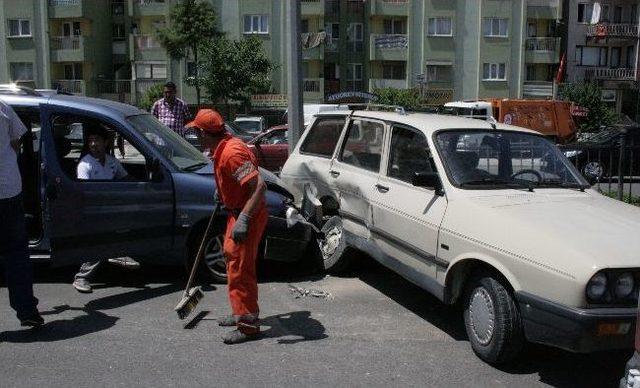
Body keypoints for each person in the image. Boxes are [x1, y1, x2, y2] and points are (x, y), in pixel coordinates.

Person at [186, 109, 268, 344]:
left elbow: (259, 187)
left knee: (240, 270)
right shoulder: (226, 146)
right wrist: (223, 191)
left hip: (246, 215)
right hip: (238, 211)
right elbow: (240, 180)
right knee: (234, 262)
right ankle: (241, 312)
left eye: (197, 132)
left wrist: (244, 219)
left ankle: (248, 326)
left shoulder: (231, 153)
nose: (196, 137)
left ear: (204, 133)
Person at [72, 127, 140, 293]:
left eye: (97, 140)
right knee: (101, 237)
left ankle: (117, 252)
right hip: (91, 210)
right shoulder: (85, 164)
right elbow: (84, 192)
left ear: (106, 142)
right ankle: (82, 276)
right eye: (91, 141)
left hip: (109, 209)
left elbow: (125, 178)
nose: (93, 144)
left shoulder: (111, 162)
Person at [0, 98, 43, 327]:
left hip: (9, 191)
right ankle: (27, 311)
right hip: (8, 192)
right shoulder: (3, 106)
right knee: (16, 254)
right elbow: (17, 143)